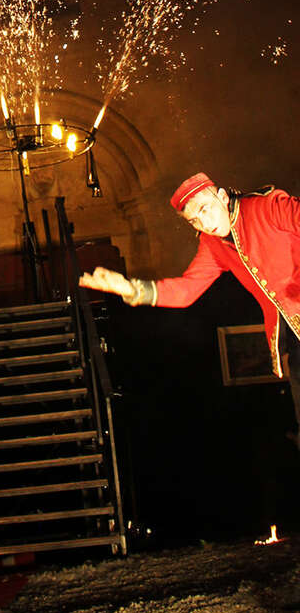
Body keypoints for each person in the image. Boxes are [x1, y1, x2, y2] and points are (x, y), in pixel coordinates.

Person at [79, 173, 300, 438]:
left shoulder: (266, 206)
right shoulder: (212, 244)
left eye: (205, 210)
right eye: (194, 220)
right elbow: (187, 289)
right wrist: (130, 288)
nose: (205, 223)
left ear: (222, 197)